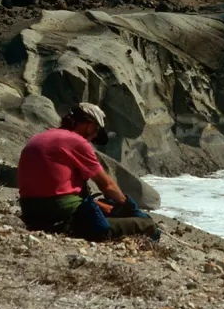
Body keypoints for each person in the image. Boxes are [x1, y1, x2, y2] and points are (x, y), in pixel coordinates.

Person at [18, 102, 158, 240]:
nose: (92, 138)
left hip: (31, 214)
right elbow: (107, 185)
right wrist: (130, 208)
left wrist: (107, 208)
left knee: (107, 207)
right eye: (96, 130)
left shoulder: (41, 137)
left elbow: (59, 190)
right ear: (90, 126)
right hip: (62, 217)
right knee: (148, 225)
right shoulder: (77, 142)